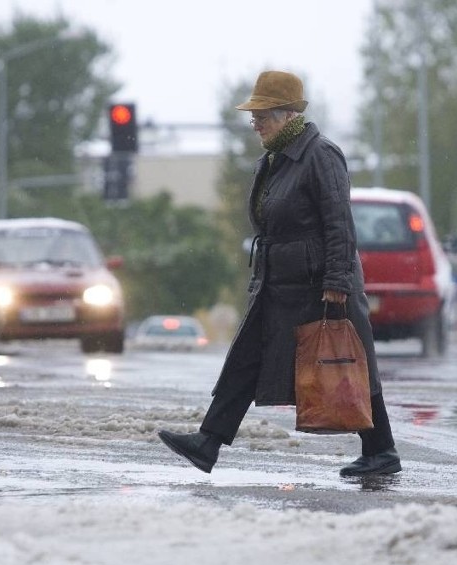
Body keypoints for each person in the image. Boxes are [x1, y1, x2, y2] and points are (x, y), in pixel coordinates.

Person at [157, 70, 401, 477]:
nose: (255, 123)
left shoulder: (321, 155)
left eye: (263, 115)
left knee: (346, 362)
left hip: (318, 286)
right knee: (245, 361)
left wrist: (337, 283)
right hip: (278, 283)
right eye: (253, 116)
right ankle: (208, 443)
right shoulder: (274, 159)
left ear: (289, 116)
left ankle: (382, 450)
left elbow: (340, 224)